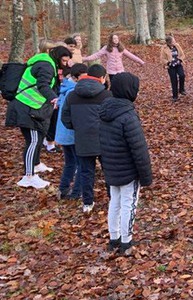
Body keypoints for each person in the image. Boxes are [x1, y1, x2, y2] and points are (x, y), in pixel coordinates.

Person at [99, 72, 152, 256]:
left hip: (111, 167)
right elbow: (139, 149)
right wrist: (146, 177)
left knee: (115, 201)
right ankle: (126, 241)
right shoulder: (128, 116)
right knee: (128, 203)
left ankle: (114, 237)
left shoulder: (105, 110)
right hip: (128, 170)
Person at [5, 46, 72, 189]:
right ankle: (28, 176)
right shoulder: (46, 66)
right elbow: (43, 85)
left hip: (34, 107)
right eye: (64, 61)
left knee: (39, 136)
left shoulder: (49, 64)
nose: (65, 64)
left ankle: (36, 164)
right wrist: (54, 99)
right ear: (58, 57)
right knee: (33, 140)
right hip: (25, 107)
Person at [61, 64, 113, 213]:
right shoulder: (107, 96)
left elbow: (66, 118)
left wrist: (78, 127)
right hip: (104, 139)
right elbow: (111, 117)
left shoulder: (72, 95)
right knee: (108, 170)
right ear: (102, 78)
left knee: (85, 172)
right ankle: (113, 200)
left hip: (82, 139)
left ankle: (87, 203)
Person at [55, 63, 88, 200]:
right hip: (71, 133)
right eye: (83, 77)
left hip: (63, 134)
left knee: (71, 162)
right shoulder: (73, 92)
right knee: (80, 164)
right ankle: (76, 192)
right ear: (76, 77)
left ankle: (63, 188)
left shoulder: (65, 88)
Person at [160, 35, 186, 102]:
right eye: (173, 41)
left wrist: (180, 60)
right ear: (169, 43)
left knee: (182, 75)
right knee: (173, 80)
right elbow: (162, 59)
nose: (175, 42)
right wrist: (168, 63)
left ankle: (181, 89)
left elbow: (183, 55)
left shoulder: (177, 46)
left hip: (178, 64)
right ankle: (175, 96)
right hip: (171, 66)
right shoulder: (164, 48)